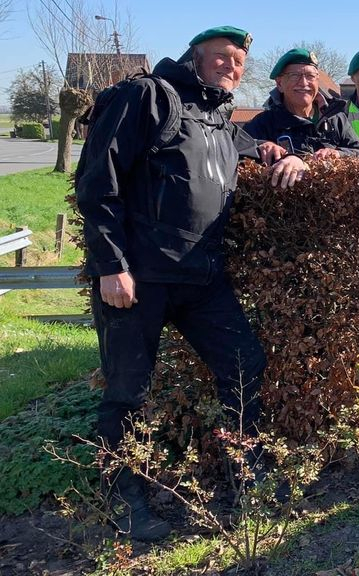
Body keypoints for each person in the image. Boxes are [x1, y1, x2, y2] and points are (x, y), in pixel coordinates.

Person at [75, 26, 277, 541]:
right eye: (223, 58)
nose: (232, 68)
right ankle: (127, 501)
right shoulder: (146, 96)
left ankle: (245, 471)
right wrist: (110, 264)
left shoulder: (218, 118)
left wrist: (287, 155)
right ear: (195, 57)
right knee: (128, 391)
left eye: (239, 63)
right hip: (140, 277)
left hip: (200, 277)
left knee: (244, 362)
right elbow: (99, 181)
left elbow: (259, 149)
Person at [244, 48, 359, 163]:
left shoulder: (336, 119)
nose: (304, 83)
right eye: (294, 76)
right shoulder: (263, 124)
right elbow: (235, 152)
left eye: (310, 76)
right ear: (279, 84)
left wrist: (339, 154)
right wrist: (260, 146)